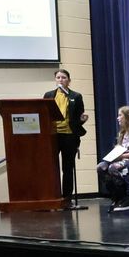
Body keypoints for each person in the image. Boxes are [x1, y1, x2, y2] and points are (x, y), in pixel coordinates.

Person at [42, 69, 88, 204]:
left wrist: (82, 120)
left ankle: (66, 197)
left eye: (63, 77)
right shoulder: (49, 95)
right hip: (53, 135)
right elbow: (43, 113)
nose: (60, 80)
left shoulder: (76, 96)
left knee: (67, 168)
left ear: (69, 80)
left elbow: (79, 117)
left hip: (69, 135)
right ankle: (51, 195)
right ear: (55, 80)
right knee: (51, 166)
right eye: (58, 77)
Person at [96, 106, 129, 207]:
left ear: (128, 117)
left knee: (112, 168)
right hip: (123, 158)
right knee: (101, 167)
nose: (118, 118)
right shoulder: (123, 133)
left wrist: (121, 156)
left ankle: (124, 194)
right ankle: (116, 194)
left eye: (120, 115)